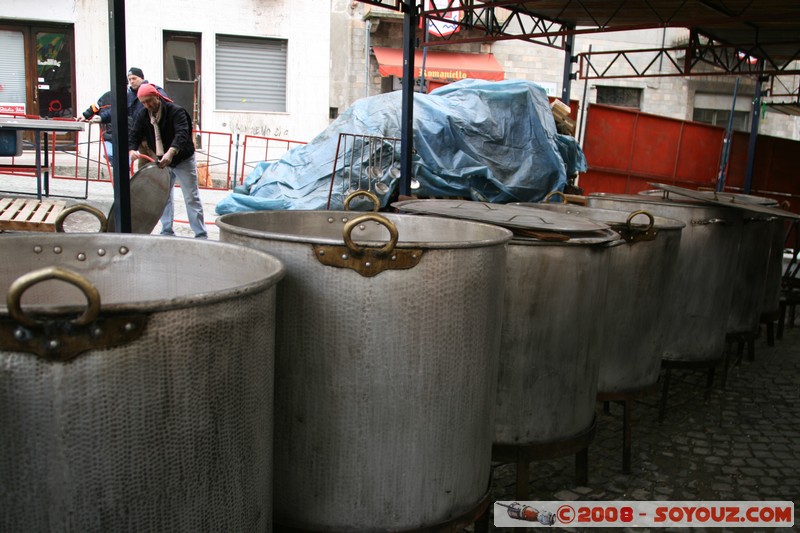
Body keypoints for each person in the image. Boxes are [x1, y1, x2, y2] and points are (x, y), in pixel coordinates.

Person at [128, 83, 208, 239]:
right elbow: (134, 134)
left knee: (191, 196)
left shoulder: (176, 111)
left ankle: (200, 233)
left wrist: (171, 152)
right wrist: (132, 150)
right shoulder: (143, 115)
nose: (147, 105)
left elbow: (182, 134)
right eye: (143, 102)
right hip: (161, 159)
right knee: (163, 197)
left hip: (182, 158)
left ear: (157, 96)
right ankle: (166, 231)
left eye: (149, 101)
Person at [77, 90, 114, 158]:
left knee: (124, 159)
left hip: (126, 135)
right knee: (109, 155)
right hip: (108, 134)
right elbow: (95, 107)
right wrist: (85, 116)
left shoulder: (130, 96)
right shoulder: (106, 96)